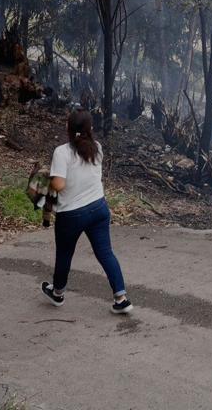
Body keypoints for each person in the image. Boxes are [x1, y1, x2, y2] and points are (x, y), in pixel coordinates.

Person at [40, 109, 133, 314]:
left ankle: (57, 293)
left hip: (71, 214)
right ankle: (121, 298)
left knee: (65, 254)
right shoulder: (97, 148)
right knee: (105, 252)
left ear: (68, 127)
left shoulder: (61, 152)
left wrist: (45, 179)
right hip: (99, 208)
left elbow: (59, 185)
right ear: (90, 128)